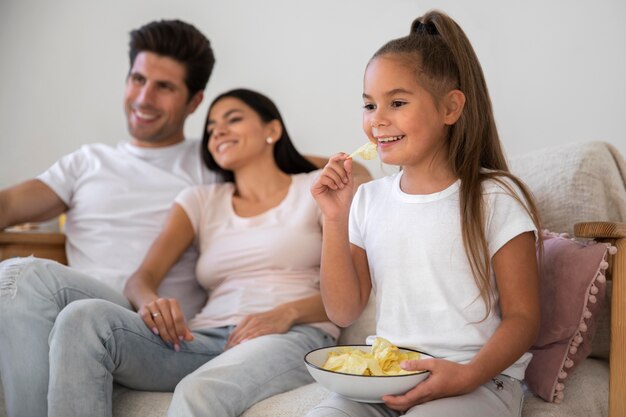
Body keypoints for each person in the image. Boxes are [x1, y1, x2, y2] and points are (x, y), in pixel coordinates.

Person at [45, 88, 340, 417]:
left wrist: (287, 313)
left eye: (233, 119)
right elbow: (141, 279)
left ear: (272, 130)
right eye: (212, 127)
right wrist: (150, 303)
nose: (218, 132)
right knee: (82, 319)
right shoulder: (200, 200)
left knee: (200, 390)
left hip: (291, 334)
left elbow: (349, 289)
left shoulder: (314, 189)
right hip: (207, 337)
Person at [308, 10, 543, 417]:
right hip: (386, 376)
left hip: (478, 380)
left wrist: (468, 376)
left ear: (450, 108)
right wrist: (333, 217)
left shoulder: (495, 198)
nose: (377, 119)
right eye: (368, 104)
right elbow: (343, 311)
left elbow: (524, 318)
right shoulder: (367, 200)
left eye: (396, 103)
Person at [0, 19, 217, 417]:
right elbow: (7, 207)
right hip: (73, 319)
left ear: (195, 101)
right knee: (16, 283)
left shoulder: (209, 162)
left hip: (155, 332)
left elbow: (287, 168)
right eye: (137, 79)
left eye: (164, 87)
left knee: (22, 276)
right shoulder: (87, 162)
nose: (144, 97)